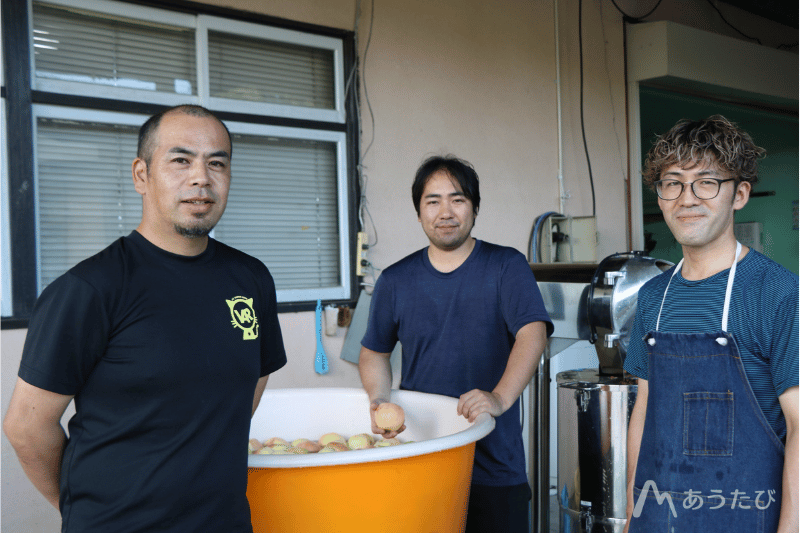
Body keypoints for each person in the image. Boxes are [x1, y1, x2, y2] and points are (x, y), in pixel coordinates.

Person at [3, 105, 287, 532]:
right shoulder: (91, 288)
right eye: (180, 160)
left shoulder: (251, 279)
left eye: (217, 163)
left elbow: (253, 379)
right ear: (141, 175)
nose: (200, 178)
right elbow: (27, 426)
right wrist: (84, 509)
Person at [358, 155, 553, 533]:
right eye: (433, 201)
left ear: (475, 208)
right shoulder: (395, 280)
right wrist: (379, 399)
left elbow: (533, 332)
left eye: (457, 199)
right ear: (418, 212)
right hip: (422, 456)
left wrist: (499, 397)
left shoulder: (505, 266)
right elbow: (373, 352)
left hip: (495, 466)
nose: (445, 212)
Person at [623, 115, 798, 533]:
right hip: (661, 518)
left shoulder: (777, 292)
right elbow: (644, 412)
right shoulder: (653, 297)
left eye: (706, 182)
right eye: (673, 183)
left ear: (739, 194)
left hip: (748, 515)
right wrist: (633, 515)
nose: (687, 198)